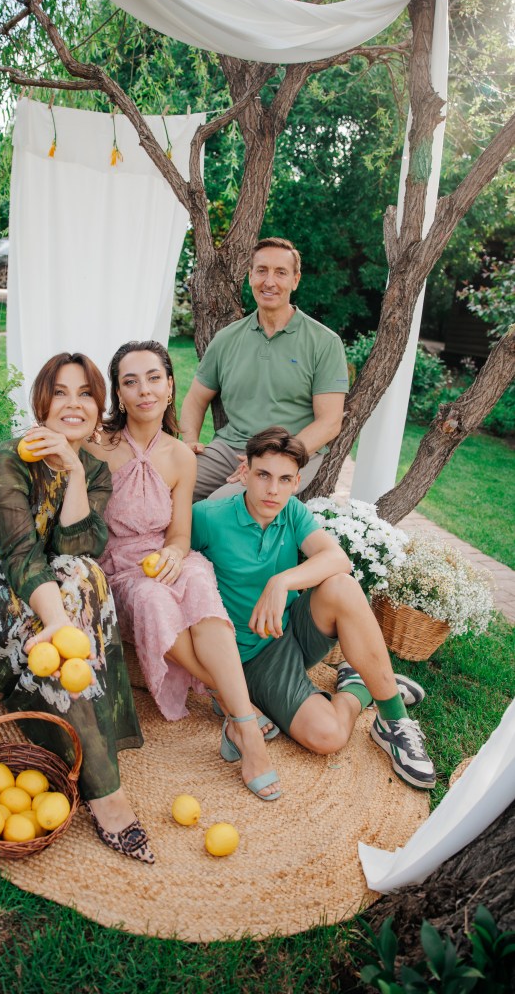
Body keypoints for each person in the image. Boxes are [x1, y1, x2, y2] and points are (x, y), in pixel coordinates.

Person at [0, 352, 155, 863]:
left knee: (87, 575)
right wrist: (57, 622)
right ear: (41, 403)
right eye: (61, 393)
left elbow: (79, 548)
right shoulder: (6, 461)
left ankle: (82, 730)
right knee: (72, 597)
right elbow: (20, 556)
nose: (74, 404)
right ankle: (105, 791)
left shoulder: (94, 470)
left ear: (99, 406)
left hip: (45, 582)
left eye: (86, 393)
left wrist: (74, 472)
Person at [190, 426, 436, 791]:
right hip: (251, 658)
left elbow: (338, 559)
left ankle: (393, 721)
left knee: (342, 586)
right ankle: (360, 686)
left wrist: (281, 582)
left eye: (284, 480)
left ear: (296, 483)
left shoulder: (292, 510)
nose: (272, 490)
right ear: (244, 472)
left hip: (293, 628)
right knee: (328, 735)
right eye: (263, 475)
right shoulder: (207, 517)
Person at [87, 340, 281, 801]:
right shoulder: (98, 448)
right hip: (118, 566)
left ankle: (241, 727)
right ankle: (239, 711)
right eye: (131, 382)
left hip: (165, 554)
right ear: (119, 393)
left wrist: (176, 553)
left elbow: (179, 533)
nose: (144, 390)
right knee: (153, 598)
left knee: (197, 578)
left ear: (171, 386)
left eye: (154, 378)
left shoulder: (181, 456)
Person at [179, 237, 350, 501]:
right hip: (229, 449)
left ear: (295, 280)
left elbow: (329, 423)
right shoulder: (227, 338)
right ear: (250, 276)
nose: (269, 281)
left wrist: (273, 459)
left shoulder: (324, 342)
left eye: (280, 272)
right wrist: (189, 441)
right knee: (163, 486)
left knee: (221, 506)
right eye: (262, 271)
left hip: (288, 454)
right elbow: (195, 398)